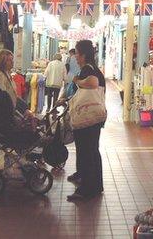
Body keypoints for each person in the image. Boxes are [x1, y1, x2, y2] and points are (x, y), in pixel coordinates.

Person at [66, 40, 106, 202]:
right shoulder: (92, 69)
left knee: (87, 151)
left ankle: (87, 189)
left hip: (88, 117)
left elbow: (93, 83)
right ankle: (94, 184)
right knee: (91, 150)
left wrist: (77, 81)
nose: (75, 56)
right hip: (94, 116)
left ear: (83, 55)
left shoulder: (89, 70)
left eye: (76, 53)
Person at [0, 49, 34, 168]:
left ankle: (18, 162)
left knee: (3, 139)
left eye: (12, 60)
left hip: (9, 113)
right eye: (9, 60)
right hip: (1, 116)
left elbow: (14, 96)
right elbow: (2, 98)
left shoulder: (8, 75)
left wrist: (24, 109)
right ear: (2, 62)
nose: (12, 62)